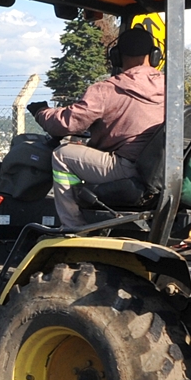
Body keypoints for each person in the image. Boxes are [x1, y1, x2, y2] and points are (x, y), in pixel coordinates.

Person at [28, 27, 165, 229]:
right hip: (160, 171)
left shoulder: (107, 89)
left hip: (127, 169)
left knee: (63, 155)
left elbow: (66, 123)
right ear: (155, 56)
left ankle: (73, 227)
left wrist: (42, 112)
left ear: (116, 57)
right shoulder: (170, 87)